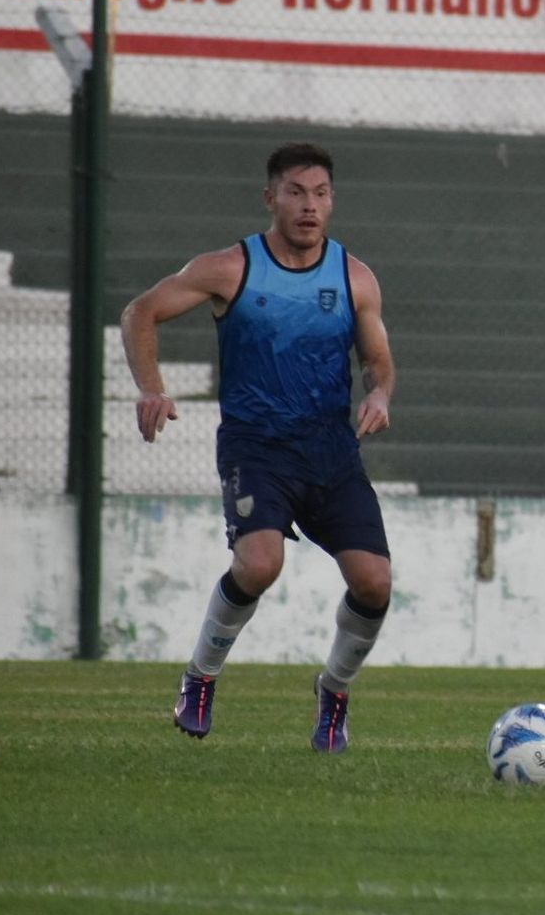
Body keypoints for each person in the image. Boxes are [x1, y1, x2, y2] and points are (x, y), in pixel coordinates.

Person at [120, 142, 396, 755]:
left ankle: (335, 691)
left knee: (375, 582)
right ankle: (200, 677)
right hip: (257, 445)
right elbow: (141, 311)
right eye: (296, 192)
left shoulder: (354, 278)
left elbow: (379, 365)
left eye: (320, 194)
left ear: (332, 202)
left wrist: (379, 396)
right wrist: (151, 389)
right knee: (259, 564)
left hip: (330, 449)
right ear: (270, 198)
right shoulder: (231, 268)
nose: (309, 206)